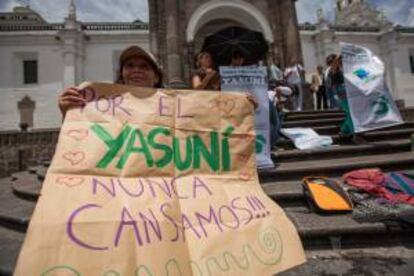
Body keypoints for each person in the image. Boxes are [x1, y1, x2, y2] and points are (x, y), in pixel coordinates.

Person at [58, 45, 163, 118]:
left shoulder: (173, 108)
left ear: (156, 77)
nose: (136, 70)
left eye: (144, 66)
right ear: (122, 74)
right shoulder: (100, 105)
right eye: (129, 66)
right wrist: (69, 114)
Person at [330, 55, 367, 144]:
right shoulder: (336, 70)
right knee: (351, 114)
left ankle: (344, 130)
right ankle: (356, 135)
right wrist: (341, 55)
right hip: (343, 96)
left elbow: (366, 75)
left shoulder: (352, 69)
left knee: (351, 114)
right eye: (341, 60)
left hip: (354, 95)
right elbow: (334, 65)